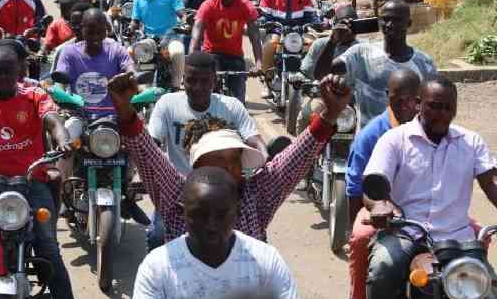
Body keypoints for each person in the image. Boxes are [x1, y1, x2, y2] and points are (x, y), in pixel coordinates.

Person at [106, 70, 351, 244]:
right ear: (197, 167)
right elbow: (148, 154)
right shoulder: (177, 194)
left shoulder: (255, 195)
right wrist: (126, 111)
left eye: (233, 161)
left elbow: (294, 159)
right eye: (215, 161)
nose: (225, 170)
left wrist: (331, 112)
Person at [363, 76, 497, 299]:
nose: (442, 113)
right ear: (418, 103)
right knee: (382, 269)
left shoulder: (471, 142)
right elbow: (372, 185)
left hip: (458, 240)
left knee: (488, 288)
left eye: (448, 108)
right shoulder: (394, 139)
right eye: (434, 106)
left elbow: (490, 184)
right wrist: (379, 205)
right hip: (405, 234)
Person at [0, 46, 75, 299]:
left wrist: (62, 137)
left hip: (32, 180)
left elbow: (53, 120)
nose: (0, 78)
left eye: (7, 72)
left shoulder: (34, 96)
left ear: (19, 72)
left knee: (49, 247)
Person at [142, 52, 266, 250]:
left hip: (223, 189)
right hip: (177, 189)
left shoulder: (232, 106)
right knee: (157, 236)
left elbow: (254, 139)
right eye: (191, 80)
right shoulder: (167, 104)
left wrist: (263, 156)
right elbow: (152, 143)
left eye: (204, 81)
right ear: (183, 80)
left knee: (256, 237)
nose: (198, 87)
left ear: (214, 81)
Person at [133, 166, 298, 299]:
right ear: (183, 213)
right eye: (200, 215)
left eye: (221, 215)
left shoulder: (267, 261)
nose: (211, 225)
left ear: (238, 212)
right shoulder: (156, 268)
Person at [345, 69, 421, 299]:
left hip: (424, 208)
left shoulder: (430, 129)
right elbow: (355, 188)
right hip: (379, 208)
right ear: (388, 96)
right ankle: (359, 294)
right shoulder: (370, 135)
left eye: (411, 100)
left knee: (476, 233)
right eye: (398, 100)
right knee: (359, 238)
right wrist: (357, 222)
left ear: (419, 99)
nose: (405, 106)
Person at [316, 0, 436, 128]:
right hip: (369, 141)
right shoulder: (362, 53)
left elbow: (433, 106)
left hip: (407, 142)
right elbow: (320, 74)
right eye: (385, 19)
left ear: (409, 23)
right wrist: (332, 41)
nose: (389, 24)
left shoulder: (424, 63)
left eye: (396, 20)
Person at [190, 0, 262, 105]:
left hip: (235, 56)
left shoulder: (245, 5)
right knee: (206, 96)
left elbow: (255, 35)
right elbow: (196, 35)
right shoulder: (208, 5)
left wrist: (258, 62)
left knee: (239, 99)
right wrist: (193, 60)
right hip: (211, 55)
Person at [55, 7, 135, 118]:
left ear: (106, 30)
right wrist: (59, 93)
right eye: (91, 32)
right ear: (82, 29)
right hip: (79, 116)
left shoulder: (117, 50)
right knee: (63, 133)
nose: (96, 36)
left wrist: (136, 80)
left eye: (100, 32)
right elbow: (60, 81)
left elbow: (131, 70)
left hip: (115, 115)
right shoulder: (68, 52)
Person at [130, 0, 186, 89]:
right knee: (131, 52)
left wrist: (185, 23)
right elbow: (135, 21)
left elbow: (182, 14)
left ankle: (176, 85)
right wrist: (130, 28)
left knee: (177, 52)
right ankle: (140, 88)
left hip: (171, 37)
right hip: (150, 39)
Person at [259, 0, 319, 79]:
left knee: (314, 45)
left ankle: (310, 77)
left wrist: (318, 23)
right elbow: (264, 15)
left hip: (299, 32)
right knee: (268, 47)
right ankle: (268, 80)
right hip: (277, 32)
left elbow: (311, 16)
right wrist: (262, 21)